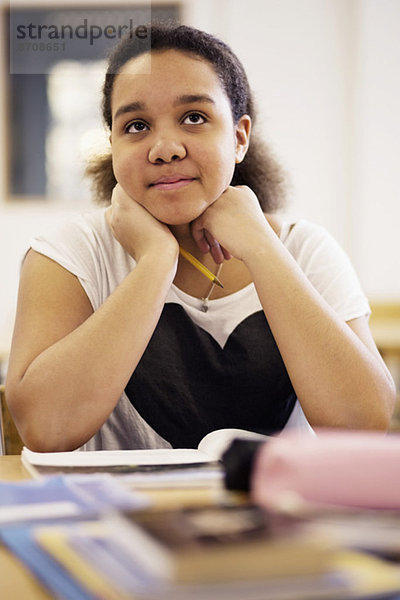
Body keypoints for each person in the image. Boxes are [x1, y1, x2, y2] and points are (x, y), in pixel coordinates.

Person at [6, 23, 395, 452]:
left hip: (281, 513)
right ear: (113, 144)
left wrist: (263, 248)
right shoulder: (70, 254)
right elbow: (45, 429)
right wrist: (155, 260)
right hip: (120, 513)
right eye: (136, 126)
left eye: (194, 117)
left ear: (239, 137)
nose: (165, 148)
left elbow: (363, 425)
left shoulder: (307, 250)